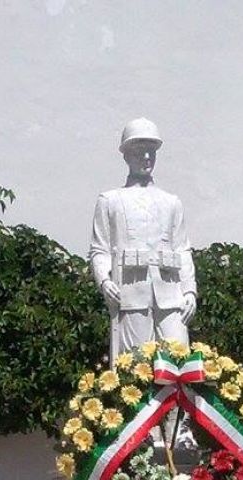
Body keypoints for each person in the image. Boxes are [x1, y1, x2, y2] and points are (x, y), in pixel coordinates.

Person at [90, 118, 197, 362]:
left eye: (152, 152)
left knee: (179, 361)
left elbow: (182, 249)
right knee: (135, 366)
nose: (147, 157)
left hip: (171, 295)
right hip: (130, 292)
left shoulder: (172, 202)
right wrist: (104, 281)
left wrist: (190, 290)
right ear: (126, 156)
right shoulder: (110, 200)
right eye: (140, 152)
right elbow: (100, 249)